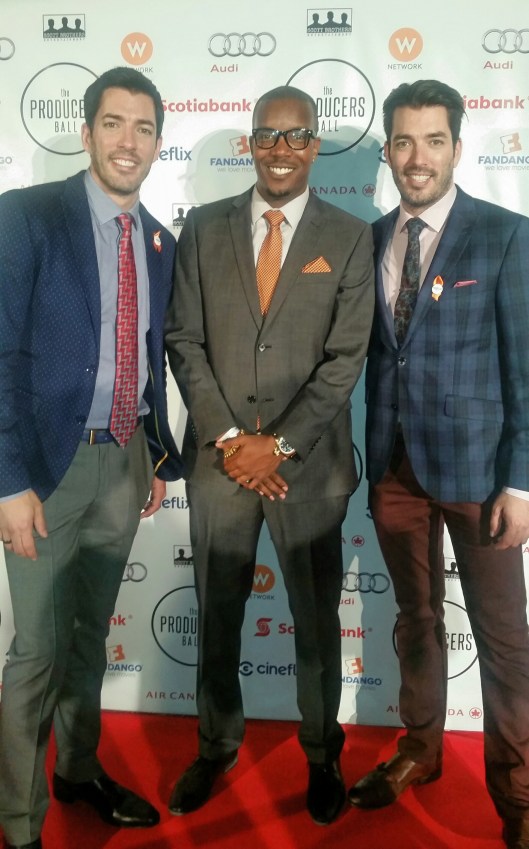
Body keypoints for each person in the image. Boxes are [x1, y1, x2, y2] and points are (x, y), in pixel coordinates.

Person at [165, 84, 374, 826]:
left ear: (315, 146)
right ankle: (215, 744)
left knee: (315, 625)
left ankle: (321, 753)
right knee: (217, 616)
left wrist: (276, 445)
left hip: (307, 471)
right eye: (266, 135)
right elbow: (184, 342)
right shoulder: (202, 231)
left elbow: (345, 359)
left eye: (295, 136)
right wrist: (229, 440)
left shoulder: (351, 237)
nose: (280, 150)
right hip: (222, 467)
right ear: (249, 144)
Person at [0, 66, 182, 849]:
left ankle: (75, 768)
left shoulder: (159, 238)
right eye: (113, 123)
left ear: (156, 144)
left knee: (86, 635)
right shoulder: (26, 216)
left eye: (143, 128)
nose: (127, 141)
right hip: (47, 471)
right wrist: (8, 483)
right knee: (36, 649)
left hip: (124, 462)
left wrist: (150, 452)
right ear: (85, 131)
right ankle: (19, 825)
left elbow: (149, 354)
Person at [347, 79, 529, 849]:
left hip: (482, 478)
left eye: (431, 140)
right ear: (387, 149)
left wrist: (520, 480)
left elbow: (525, 367)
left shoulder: (506, 235)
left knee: (503, 639)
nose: (415, 158)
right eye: (402, 141)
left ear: (456, 146)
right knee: (413, 621)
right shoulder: (369, 237)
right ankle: (419, 749)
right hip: (394, 471)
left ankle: (517, 795)